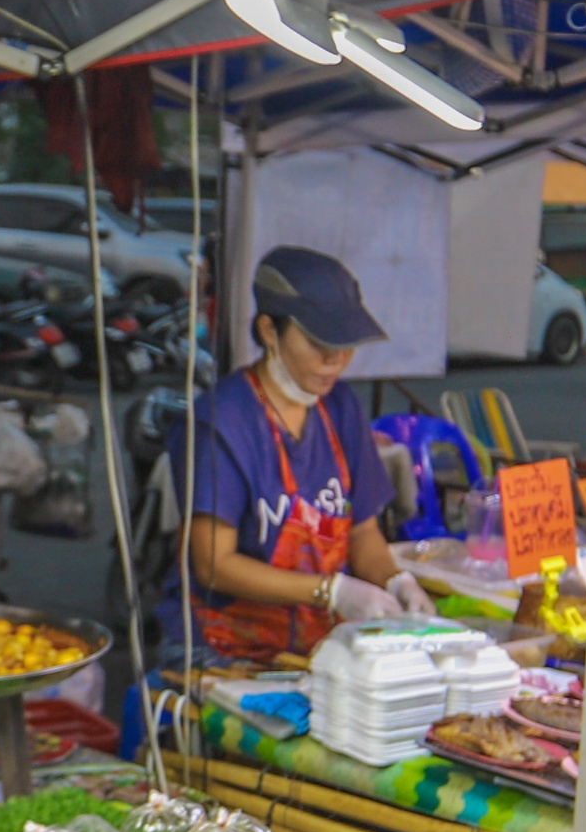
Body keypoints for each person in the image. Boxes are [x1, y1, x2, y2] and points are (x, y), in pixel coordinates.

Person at [161, 245, 436, 665]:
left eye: (346, 345)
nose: (336, 360)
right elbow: (214, 564)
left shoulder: (340, 408)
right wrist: (332, 591)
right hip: (221, 647)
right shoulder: (223, 423)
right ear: (269, 331)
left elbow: (363, 534)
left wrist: (396, 581)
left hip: (314, 644)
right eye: (319, 342)